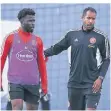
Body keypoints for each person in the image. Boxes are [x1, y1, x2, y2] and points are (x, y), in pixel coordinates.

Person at [44, 7, 110, 110]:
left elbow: (106, 59)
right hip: (74, 83)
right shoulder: (71, 34)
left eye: (93, 19)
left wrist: (100, 78)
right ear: (82, 18)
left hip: (92, 84)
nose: (90, 21)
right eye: (88, 18)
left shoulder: (101, 37)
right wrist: (42, 54)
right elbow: (57, 48)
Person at [0, 8, 48, 110]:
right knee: (17, 107)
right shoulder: (10, 38)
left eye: (34, 20)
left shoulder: (38, 41)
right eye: (30, 20)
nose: (33, 23)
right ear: (22, 21)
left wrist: (44, 84)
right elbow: (2, 59)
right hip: (15, 82)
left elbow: (42, 64)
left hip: (33, 83)